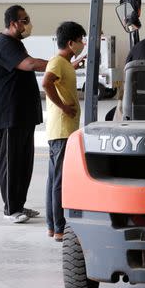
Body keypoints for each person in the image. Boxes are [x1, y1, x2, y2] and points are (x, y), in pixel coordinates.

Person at [0, 5, 48, 223]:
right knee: (11, 163)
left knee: (23, 163)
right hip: (7, 116)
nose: (28, 23)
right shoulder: (4, 44)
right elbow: (29, 64)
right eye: (24, 20)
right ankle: (10, 210)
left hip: (20, 115)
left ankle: (19, 205)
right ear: (13, 24)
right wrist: (60, 64)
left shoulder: (15, 43)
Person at [42, 21, 86, 241]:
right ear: (71, 43)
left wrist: (75, 64)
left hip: (60, 130)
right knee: (60, 180)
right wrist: (63, 106)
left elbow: (61, 76)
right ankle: (60, 227)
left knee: (53, 179)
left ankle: (52, 226)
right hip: (62, 130)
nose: (83, 43)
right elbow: (47, 83)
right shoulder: (57, 62)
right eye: (80, 40)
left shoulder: (65, 62)